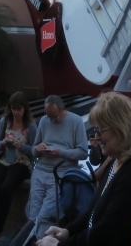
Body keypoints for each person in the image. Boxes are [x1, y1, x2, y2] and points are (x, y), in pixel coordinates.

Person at [39, 91, 131, 246]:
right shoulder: (116, 160)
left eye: (101, 130)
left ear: (120, 128)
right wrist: (67, 231)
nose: (97, 137)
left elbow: (107, 232)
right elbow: (93, 212)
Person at [28, 95, 89, 238]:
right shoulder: (44, 121)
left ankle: (32, 241)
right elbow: (33, 148)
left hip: (60, 173)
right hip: (40, 170)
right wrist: (38, 149)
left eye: (54, 116)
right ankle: (32, 240)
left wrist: (60, 152)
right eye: (49, 116)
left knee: (45, 214)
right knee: (33, 214)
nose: (52, 120)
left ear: (62, 109)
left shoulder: (76, 121)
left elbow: (83, 152)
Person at [0, 91, 37, 244]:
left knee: (6, 188)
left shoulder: (31, 126)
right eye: (14, 109)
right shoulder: (5, 121)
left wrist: (22, 147)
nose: (16, 112)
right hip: (2, 160)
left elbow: (34, 150)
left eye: (19, 109)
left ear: (25, 109)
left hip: (21, 163)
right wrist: (1, 143)